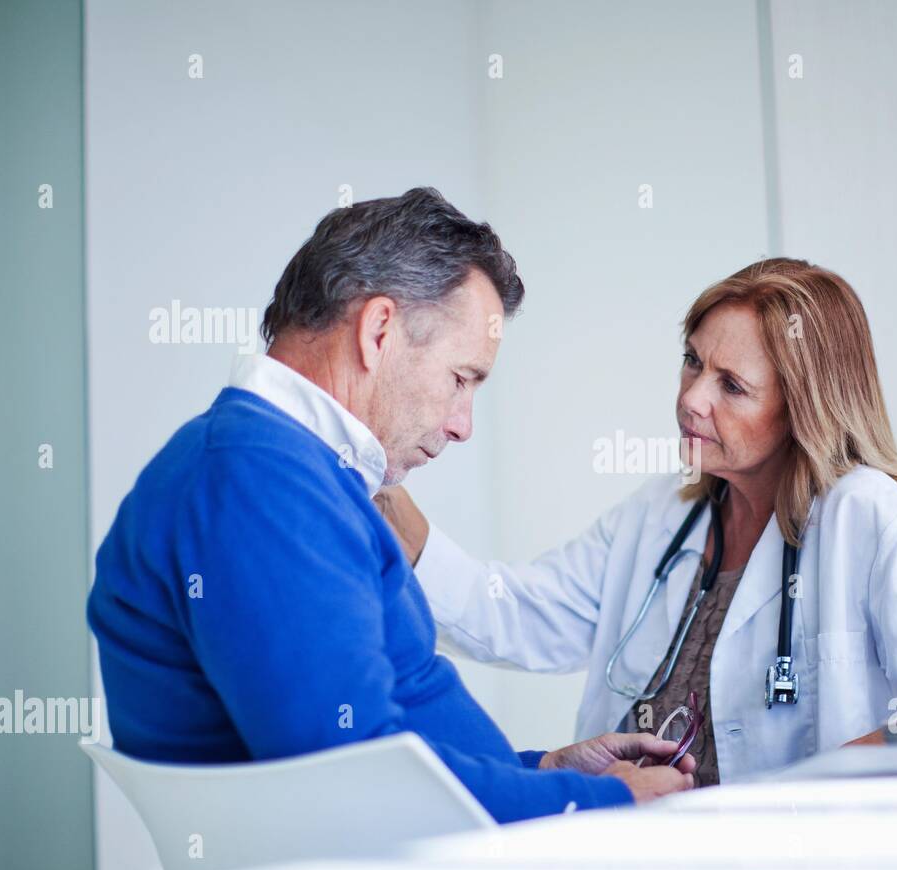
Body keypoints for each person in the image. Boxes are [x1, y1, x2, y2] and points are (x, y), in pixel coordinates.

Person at [87, 187, 694, 825]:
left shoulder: (288, 469)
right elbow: (353, 779)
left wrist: (542, 773)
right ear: (379, 331)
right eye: (461, 379)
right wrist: (605, 802)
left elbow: (387, 754)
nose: (462, 426)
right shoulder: (257, 481)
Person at [403, 257, 897, 787]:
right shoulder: (662, 514)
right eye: (693, 361)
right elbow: (515, 615)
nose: (692, 399)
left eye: (732, 385)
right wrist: (378, 490)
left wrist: (861, 763)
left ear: (804, 407)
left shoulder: (864, 520)